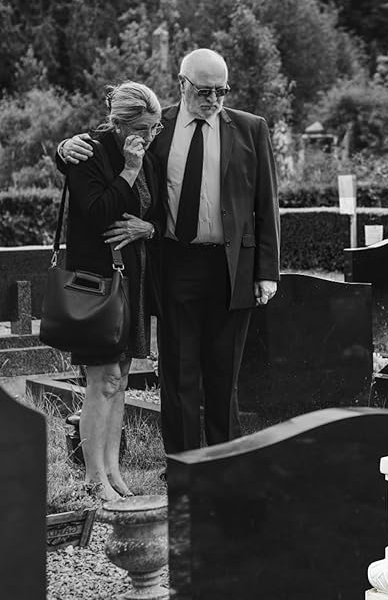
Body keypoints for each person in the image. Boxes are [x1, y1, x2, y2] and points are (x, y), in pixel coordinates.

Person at [59, 49, 280, 455]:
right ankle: (181, 463)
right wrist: (65, 149)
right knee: (178, 373)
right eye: (204, 91)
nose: (213, 99)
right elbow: (108, 150)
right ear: (182, 84)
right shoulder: (158, 126)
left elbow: (267, 201)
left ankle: (223, 463)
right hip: (175, 264)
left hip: (233, 267)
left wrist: (267, 271)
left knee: (224, 374)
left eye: (221, 91)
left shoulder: (251, 128)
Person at [64, 81, 164, 500]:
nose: (150, 135)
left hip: (132, 282)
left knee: (119, 380)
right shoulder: (88, 151)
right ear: (119, 124)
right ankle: (93, 477)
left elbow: (156, 211)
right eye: (142, 128)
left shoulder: (147, 153)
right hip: (98, 284)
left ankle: (112, 471)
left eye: (155, 127)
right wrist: (129, 170)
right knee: (101, 379)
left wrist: (148, 228)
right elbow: (96, 212)